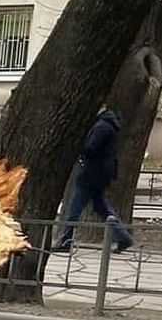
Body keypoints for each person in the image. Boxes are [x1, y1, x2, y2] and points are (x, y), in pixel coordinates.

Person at [55, 108, 133, 253]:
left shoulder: (101, 126)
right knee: (101, 207)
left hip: (91, 174)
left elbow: (90, 148)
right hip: (100, 174)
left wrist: (77, 145)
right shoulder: (108, 125)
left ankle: (66, 241)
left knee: (75, 208)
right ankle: (123, 237)